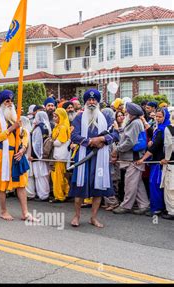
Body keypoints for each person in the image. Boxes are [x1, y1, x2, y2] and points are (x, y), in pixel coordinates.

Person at [69, 89, 118, 228]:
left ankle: (93, 217)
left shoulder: (106, 118)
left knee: (99, 189)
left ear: (98, 102)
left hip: (100, 159)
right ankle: (76, 216)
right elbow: (74, 136)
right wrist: (91, 141)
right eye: (89, 100)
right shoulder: (78, 118)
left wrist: (102, 138)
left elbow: (115, 135)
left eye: (94, 100)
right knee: (80, 188)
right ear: (85, 102)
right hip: (84, 157)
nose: (91, 102)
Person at [0, 90, 33, 221]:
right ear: (2, 103)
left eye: (11, 101)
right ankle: (3, 211)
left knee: (21, 184)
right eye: (7, 101)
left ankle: (25, 212)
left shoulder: (16, 116)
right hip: (3, 154)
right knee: (2, 185)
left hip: (17, 154)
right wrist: (12, 128)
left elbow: (24, 134)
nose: (10, 103)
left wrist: (24, 148)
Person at [112, 102, 150, 215]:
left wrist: (117, 149)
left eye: (127, 110)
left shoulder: (134, 123)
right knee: (136, 183)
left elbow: (130, 142)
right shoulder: (135, 122)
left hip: (133, 158)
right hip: (134, 158)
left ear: (131, 113)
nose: (125, 112)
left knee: (130, 183)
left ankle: (126, 206)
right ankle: (144, 205)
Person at [136, 108, 170, 216]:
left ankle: (157, 209)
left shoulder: (163, 129)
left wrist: (142, 159)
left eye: (160, 117)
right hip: (157, 161)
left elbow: (154, 147)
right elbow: (153, 137)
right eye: (157, 116)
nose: (158, 118)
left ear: (166, 117)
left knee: (155, 185)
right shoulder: (160, 128)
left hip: (159, 162)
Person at [30, 111, 52, 201]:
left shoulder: (39, 127)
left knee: (40, 176)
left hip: (38, 156)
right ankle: (44, 193)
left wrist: (37, 155)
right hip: (44, 155)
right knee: (44, 175)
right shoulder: (46, 126)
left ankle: (43, 195)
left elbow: (37, 143)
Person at [51, 108, 71, 202]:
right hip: (60, 156)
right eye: (54, 116)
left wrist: (52, 141)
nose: (54, 118)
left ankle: (59, 196)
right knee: (62, 176)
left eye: (56, 116)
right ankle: (66, 193)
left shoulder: (62, 127)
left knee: (58, 177)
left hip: (60, 156)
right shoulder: (60, 126)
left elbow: (59, 142)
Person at [160, 111, 174, 220]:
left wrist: (167, 158)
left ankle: (172, 211)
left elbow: (168, 145)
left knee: (170, 188)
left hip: (171, 162)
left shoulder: (169, 128)